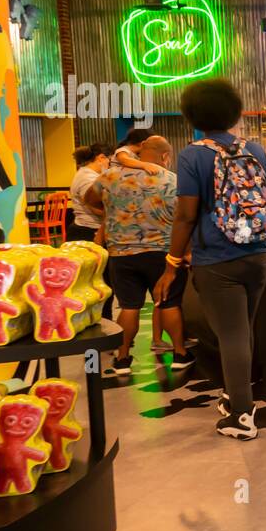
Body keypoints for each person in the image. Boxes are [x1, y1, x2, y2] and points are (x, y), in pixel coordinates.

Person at [155, 79, 266, 442]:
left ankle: (241, 415)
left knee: (231, 334)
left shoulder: (193, 154)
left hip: (217, 259)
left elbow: (186, 215)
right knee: (242, 330)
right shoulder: (255, 149)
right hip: (258, 254)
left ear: (191, 114)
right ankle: (234, 395)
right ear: (235, 111)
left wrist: (172, 261)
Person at [84, 135, 194, 376]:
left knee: (129, 307)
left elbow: (88, 199)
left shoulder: (110, 177)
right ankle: (179, 354)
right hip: (161, 253)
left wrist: (112, 212)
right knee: (168, 303)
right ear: (165, 156)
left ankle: (122, 359)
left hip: (121, 253)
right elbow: (185, 217)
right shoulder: (171, 180)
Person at [67, 144, 109, 243]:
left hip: (88, 229)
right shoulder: (88, 178)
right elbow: (97, 208)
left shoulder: (88, 174)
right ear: (101, 158)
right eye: (109, 161)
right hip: (88, 231)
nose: (110, 165)